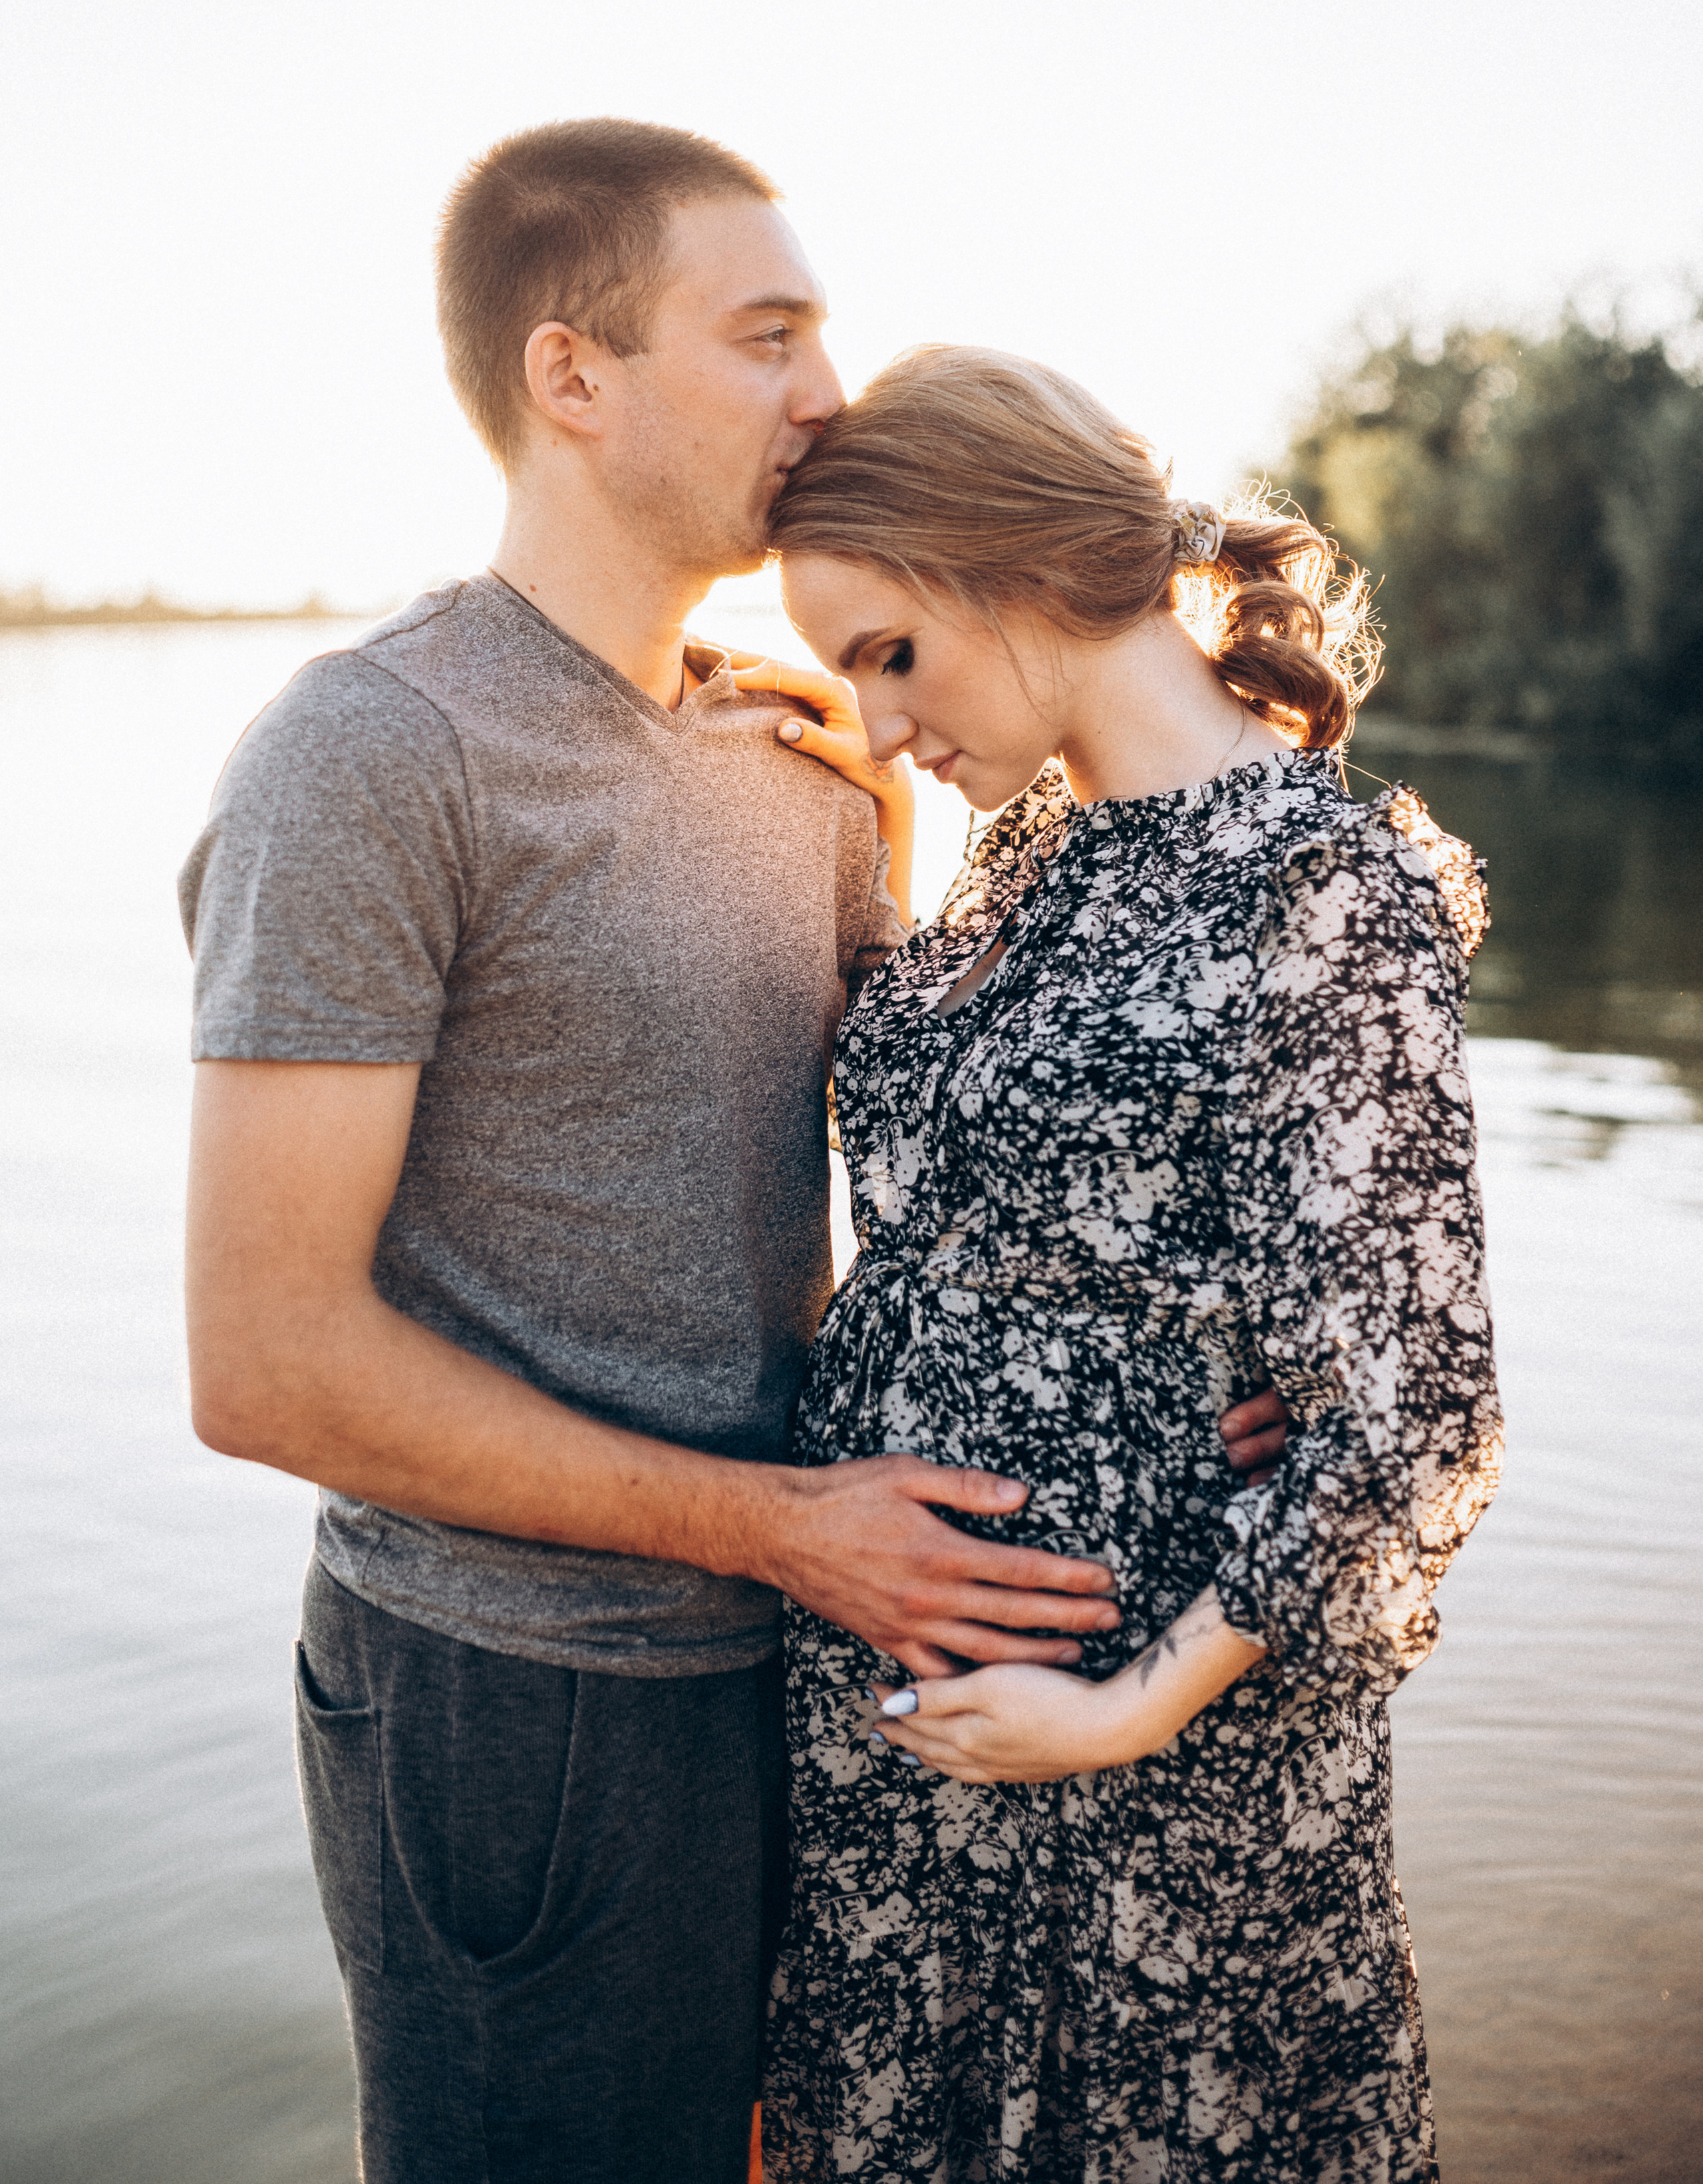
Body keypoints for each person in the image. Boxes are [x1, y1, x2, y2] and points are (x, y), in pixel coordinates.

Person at [178, 126, 1288, 2184]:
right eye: (767, 335)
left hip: (820, 1672)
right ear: (571, 376)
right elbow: (264, 1361)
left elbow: (970, 1189)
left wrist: (1202, 1370)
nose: (828, 393)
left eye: (824, 334)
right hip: (519, 1704)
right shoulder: (373, 752)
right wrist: (781, 1528)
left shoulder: (811, 770)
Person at [751, 345, 1504, 2182]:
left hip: (1146, 1775)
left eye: (890, 654)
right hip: (908, 1758)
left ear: (1012, 561)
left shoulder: (1318, 887)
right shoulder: (1027, 851)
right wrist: (836, 797)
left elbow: (1414, 1413)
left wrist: (1119, 1711)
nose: (875, 708)